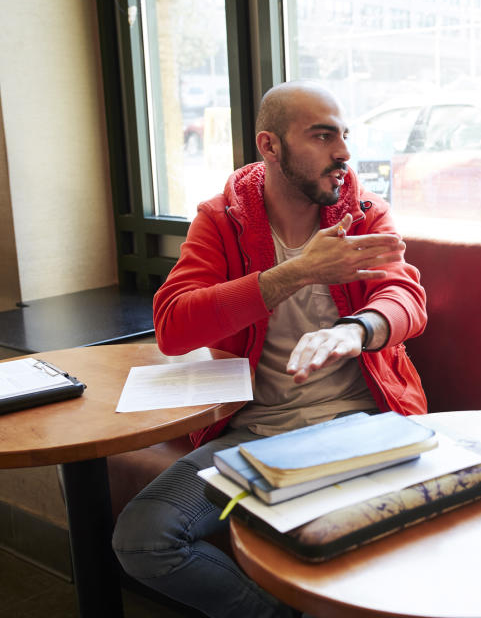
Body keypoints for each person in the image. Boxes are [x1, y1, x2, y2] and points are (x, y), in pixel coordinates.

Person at [112, 81, 428, 618]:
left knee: (320, 547)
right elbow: (172, 325)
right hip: (256, 437)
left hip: (360, 425)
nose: (344, 153)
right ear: (271, 146)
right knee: (143, 539)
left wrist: (355, 330)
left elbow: (406, 297)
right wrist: (294, 274)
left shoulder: (364, 212)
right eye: (323, 135)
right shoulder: (222, 221)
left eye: (344, 135)